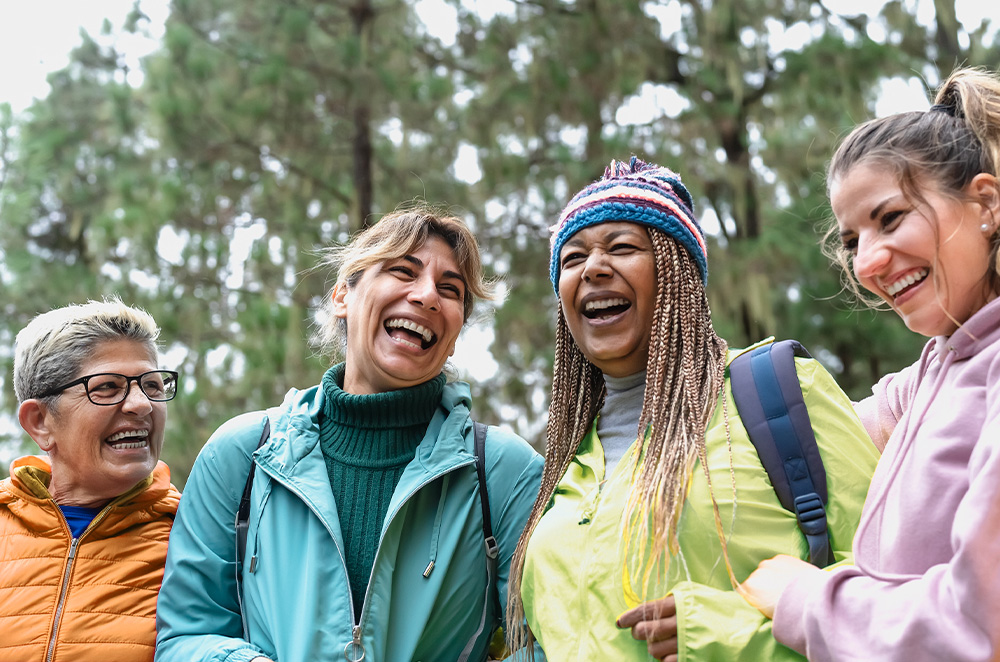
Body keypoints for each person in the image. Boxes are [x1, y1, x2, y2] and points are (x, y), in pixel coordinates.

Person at [504, 156, 879, 662]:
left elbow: (892, 581)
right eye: (572, 259)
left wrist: (720, 633)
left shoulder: (776, 394)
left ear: (676, 274)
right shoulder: (564, 469)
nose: (592, 268)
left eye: (621, 247)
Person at [154, 208, 544, 662]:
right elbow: (187, 633)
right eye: (403, 271)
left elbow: (545, 642)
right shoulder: (242, 454)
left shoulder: (502, 470)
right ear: (342, 295)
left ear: (455, 334)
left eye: (449, 289)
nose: (427, 296)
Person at [740, 67, 1000, 661]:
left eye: (890, 218)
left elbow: (979, 625)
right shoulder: (935, 372)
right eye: (853, 239)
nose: (868, 263)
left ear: (985, 202)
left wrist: (804, 599)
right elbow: (822, 429)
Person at [0, 298, 181, 662]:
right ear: (39, 421)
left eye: (153, 385)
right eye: (108, 388)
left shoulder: (196, 538)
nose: (141, 404)